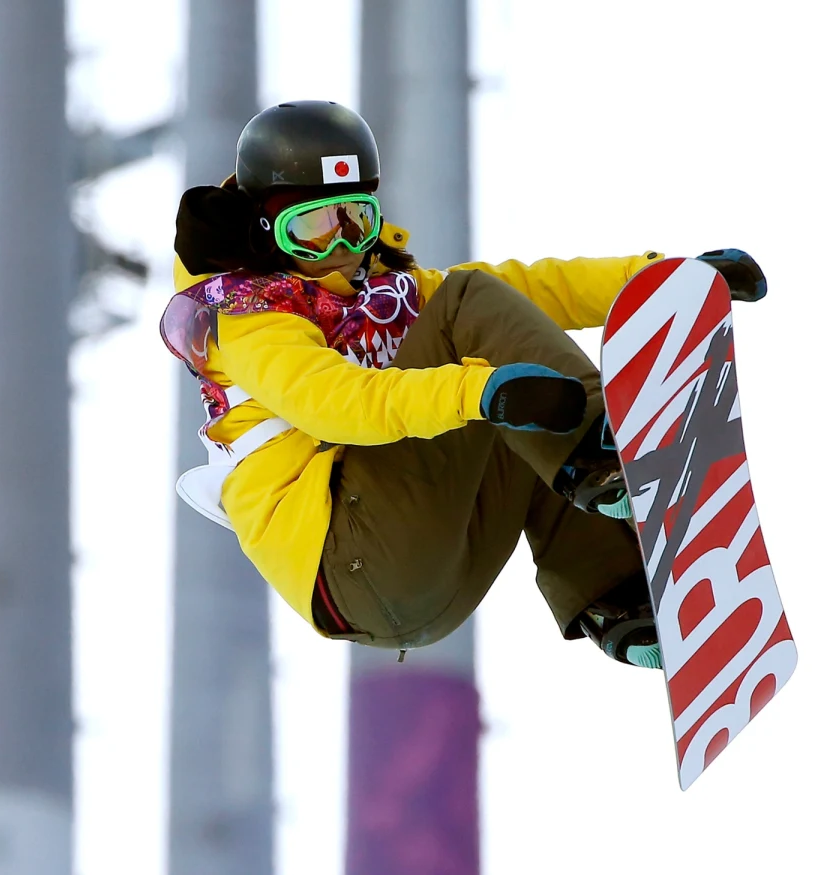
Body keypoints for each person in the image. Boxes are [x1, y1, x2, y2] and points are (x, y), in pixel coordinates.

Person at [160, 100, 767, 668]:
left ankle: (614, 594)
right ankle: (596, 451)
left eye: (356, 220)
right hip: (351, 561)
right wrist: (480, 391)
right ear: (264, 230)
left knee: (506, 365)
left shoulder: (382, 296)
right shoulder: (246, 317)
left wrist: (663, 282)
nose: (341, 246)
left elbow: (528, 293)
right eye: (313, 228)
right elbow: (335, 405)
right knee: (475, 331)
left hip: (420, 581)